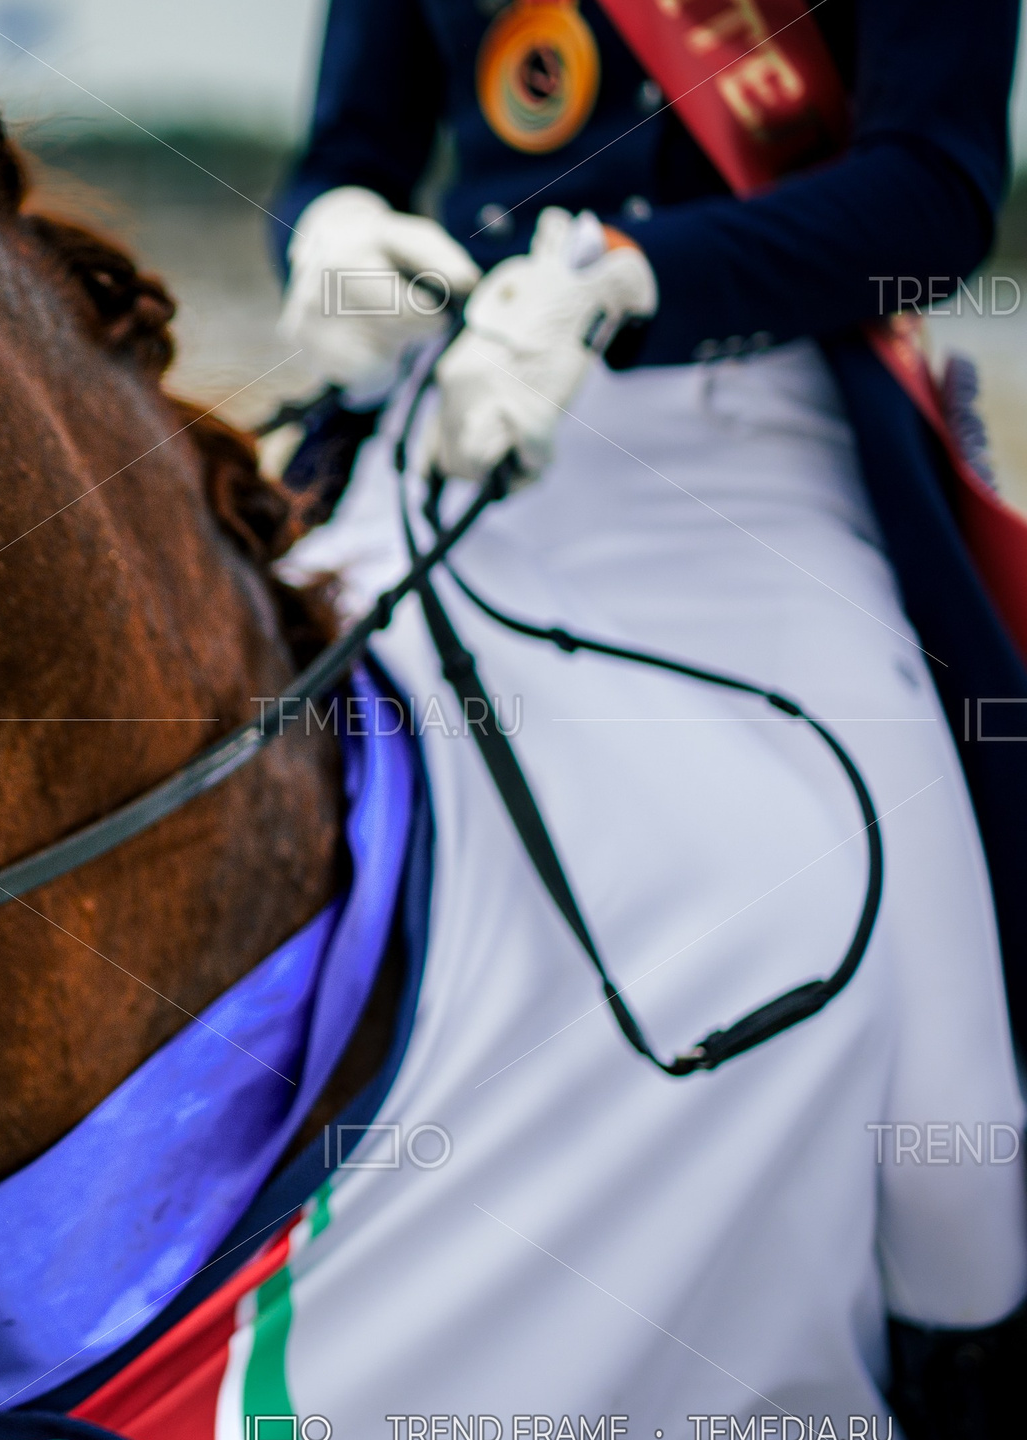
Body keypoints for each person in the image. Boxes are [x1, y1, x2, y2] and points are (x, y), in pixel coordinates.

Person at [265, 0, 1027, 1424]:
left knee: (948, 1107)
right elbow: (344, 154)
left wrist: (630, 279)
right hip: (467, 403)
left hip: (750, 435)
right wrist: (331, 234)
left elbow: (935, 194)